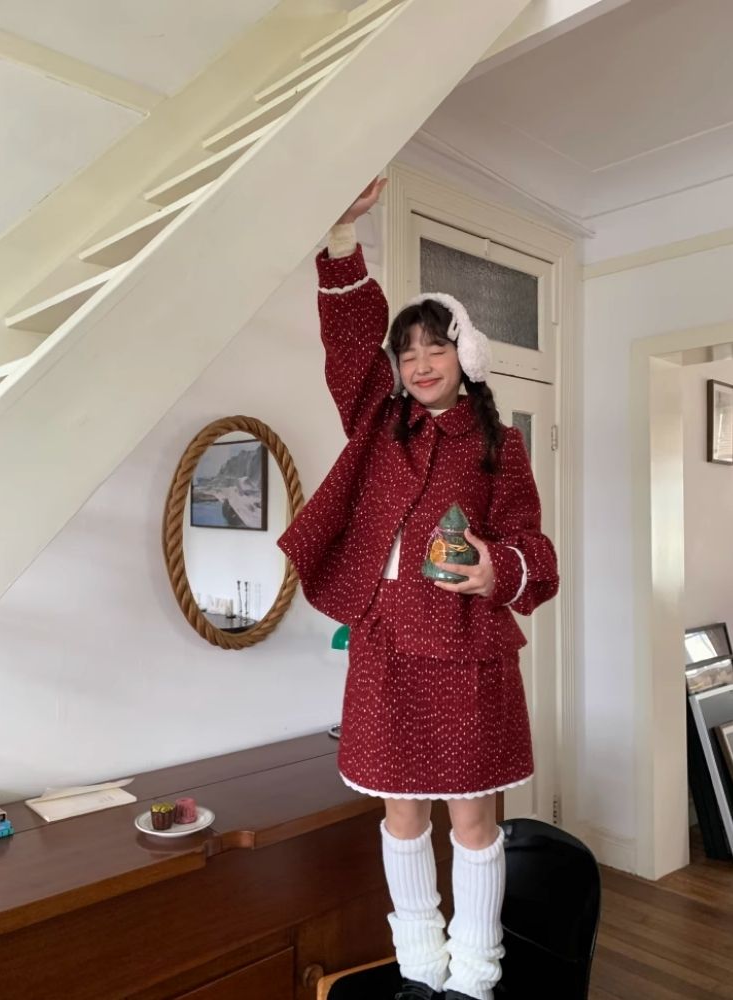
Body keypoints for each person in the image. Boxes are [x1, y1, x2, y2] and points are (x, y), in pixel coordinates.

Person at [278, 178, 559, 1000]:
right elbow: (349, 348)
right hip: (386, 641)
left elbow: (535, 548)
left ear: (464, 355)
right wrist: (341, 240)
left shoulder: (501, 446)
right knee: (400, 815)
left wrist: (496, 569)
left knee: (473, 820)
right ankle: (420, 970)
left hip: (467, 647)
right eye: (407, 354)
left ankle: (474, 977)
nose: (420, 364)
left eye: (435, 348)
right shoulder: (379, 420)